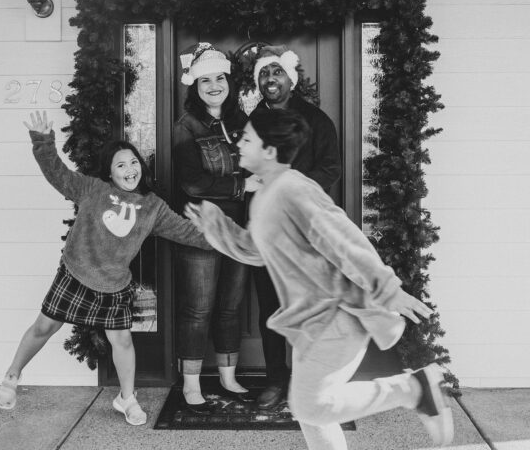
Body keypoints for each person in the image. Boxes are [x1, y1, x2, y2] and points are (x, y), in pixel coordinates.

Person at [185, 109, 454, 449]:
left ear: (269, 151)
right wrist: (219, 228)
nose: (239, 143)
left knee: (310, 405)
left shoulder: (293, 189)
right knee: (312, 414)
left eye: (248, 139)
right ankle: (410, 390)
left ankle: (411, 389)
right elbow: (258, 250)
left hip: (336, 313)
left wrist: (387, 289)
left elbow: (341, 238)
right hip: (311, 319)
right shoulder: (268, 194)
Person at [0, 110, 212, 426]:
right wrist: (42, 140)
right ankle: (12, 376)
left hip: (114, 283)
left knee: (122, 341)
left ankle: (127, 398)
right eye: (121, 165)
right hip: (76, 274)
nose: (130, 169)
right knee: (44, 327)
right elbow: (57, 172)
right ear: (110, 173)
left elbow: (187, 232)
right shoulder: (94, 190)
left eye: (134, 162)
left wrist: (226, 238)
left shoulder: (152, 207)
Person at [249, 44, 342, 409]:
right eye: (263, 74)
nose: (270, 80)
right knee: (271, 308)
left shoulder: (317, 121)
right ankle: (275, 380)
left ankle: (310, 382)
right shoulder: (251, 122)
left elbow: (330, 168)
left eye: (276, 72)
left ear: (291, 78)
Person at [172, 43, 260, 412]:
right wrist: (242, 186)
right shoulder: (186, 126)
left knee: (230, 307)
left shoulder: (243, 121)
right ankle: (191, 383)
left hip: (240, 228)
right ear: (194, 86)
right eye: (205, 79)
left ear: (228, 81)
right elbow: (191, 183)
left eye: (219, 78)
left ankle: (227, 376)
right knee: (198, 308)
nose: (213, 85)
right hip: (204, 229)